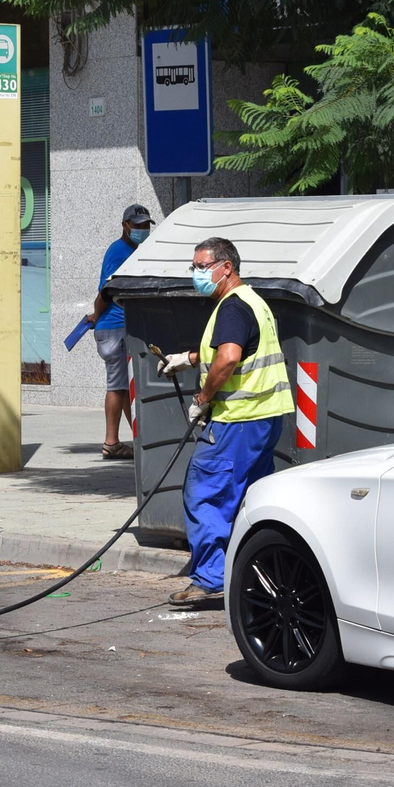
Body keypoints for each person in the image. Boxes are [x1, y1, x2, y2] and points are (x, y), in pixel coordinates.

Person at [156, 237, 292, 607]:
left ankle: (212, 578)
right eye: (194, 267)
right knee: (251, 498)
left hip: (237, 421)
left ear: (226, 267)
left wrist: (203, 400)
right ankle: (257, 570)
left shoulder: (232, 307)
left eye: (202, 267)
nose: (196, 274)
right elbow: (233, 348)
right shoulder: (253, 301)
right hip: (264, 420)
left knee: (205, 494)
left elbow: (229, 357)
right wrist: (186, 358)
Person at [85, 204, 152, 459]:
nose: (143, 229)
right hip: (114, 327)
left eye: (146, 225)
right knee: (116, 386)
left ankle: (136, 436)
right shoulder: (120, 251)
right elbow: (106, 291)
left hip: (116, 326)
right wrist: (97, 314)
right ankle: (111, 442)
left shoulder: (131, 249)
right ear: (126, 226)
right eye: (138, 225)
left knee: (124, 385)